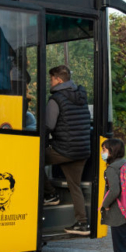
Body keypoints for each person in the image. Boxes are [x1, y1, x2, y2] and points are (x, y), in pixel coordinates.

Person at [42, 64, 91, 235]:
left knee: (33, 159)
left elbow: (48, 125)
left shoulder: (56, 99)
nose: (50, 82)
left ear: (59, 80)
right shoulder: (81, 96)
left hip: (64, 150)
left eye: (51, 78)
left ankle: (50, 195)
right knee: (74, 186)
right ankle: (82, 224)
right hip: (82, 149)